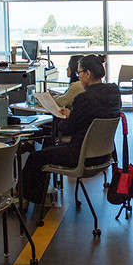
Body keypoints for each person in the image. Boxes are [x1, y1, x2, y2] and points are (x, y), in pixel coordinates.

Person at [21, 55, 121, 206]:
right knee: (44, 154)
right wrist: (73, 116)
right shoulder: (114, 93)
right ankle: (34, 197)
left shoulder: (84, 98)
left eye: (79, 73)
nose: (78, 76)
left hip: (80, 155)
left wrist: (64, 119)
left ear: (88, 74)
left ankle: (24, 197)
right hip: (106, 155)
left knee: (36, 158)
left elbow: (67, 130)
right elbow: (93, 118)